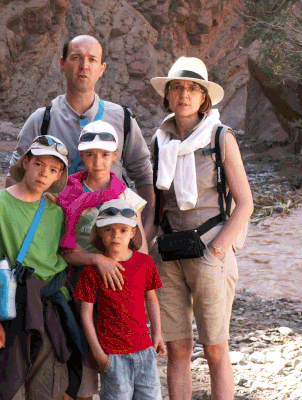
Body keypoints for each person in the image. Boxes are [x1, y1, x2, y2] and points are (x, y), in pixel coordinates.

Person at [148, 57, 254, 400]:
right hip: (169, 254)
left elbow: (245, 203)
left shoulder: (221, 138)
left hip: (211, 252)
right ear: (167, 95)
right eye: (177, 87)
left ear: (204, 98)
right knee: (178, 349)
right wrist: (142, 247)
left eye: (193, 88)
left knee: (215, 349)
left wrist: (218, 251)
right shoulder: (159, 141)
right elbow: (154, 205)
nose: (184, 94)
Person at [5, 34, 155, 234]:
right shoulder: (41, 120)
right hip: (51, 237)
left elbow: (144, 177)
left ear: (102, 69)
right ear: (62, 64)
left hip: (110, 241)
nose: (84, 65)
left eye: (92, 59)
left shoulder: (122, 119)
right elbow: (13, 178)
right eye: (76, 58)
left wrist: (141, 234)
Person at [47, 119, 149, 400]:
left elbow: (140, 252)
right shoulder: (65, 191)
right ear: (82, 155)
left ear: (115, 155)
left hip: (116, 289)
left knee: (119, 367)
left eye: (105, 154)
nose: (98, 161)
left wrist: (138, 292)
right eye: (90, 154)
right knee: (81, 364)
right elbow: (63, 249)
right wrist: (96, 260)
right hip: (76, 284)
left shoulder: (127, 198)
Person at [0, 135, 81, 400]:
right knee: (9, 390)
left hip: (51, 310)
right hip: (12, 309)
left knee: (48, 390)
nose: (44, 173)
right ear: (26, 162)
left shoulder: (57, 213)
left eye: (53, 170)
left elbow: (65, 257)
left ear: (58, 176)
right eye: (39, 164)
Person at [74, 199, 167, 400]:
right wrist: (99, 354)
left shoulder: (145, 262)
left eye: (123, 230)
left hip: (145, 351)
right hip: (112, 355)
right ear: (99, 231)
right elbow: (86, 314)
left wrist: (157, 334)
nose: (116, 235)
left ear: (133, 232)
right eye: (109, 229)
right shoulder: (92, 271)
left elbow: (151, 299)